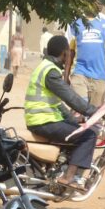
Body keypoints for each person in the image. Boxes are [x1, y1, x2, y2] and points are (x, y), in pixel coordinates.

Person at [24, 35, 98, 190]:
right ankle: (69, 177)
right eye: (69, 53)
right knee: (89, 135)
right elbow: (70, 97)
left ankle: (62, 169)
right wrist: (93, 111)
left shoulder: (46, 67)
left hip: (44, 119)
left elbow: (58, 103)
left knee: (78, 128)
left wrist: (75, 119)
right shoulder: (51, 72)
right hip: (43, 121)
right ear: (65, 53)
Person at [64, 7, 105, 107]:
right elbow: (70, 51)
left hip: (100, 76)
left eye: (101, 1)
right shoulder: (74, 22)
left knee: (94, 115)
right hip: (79, 73)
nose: (99, 4)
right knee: (80, 108)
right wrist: (66, 75)